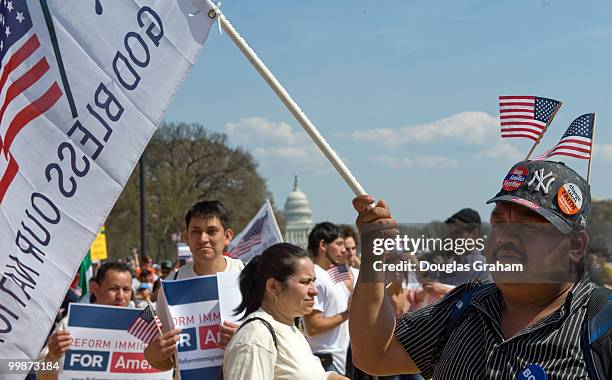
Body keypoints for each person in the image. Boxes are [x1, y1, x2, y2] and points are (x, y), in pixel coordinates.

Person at [349, 160, 610, 379]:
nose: (506, 237)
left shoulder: (602, 326)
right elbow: (374, 354)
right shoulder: (463, 308)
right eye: (498, 224)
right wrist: (374, 250)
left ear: (575, 246)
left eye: (527, 226)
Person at [223, 243, 348, 379]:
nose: (314, 291)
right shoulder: (256, 337)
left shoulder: (290, 329)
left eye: (313, 281)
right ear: (273, 287)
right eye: (305, 282)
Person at [144, 200, 245, 371]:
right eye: (196, 232)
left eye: (211, 231)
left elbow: (275, 339)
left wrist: (245, 340)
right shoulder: (171, 285)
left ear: (227, 236)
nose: (203, 239)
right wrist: (152, 355)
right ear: (186, 238)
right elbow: (167, 361)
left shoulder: (248, 276)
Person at [38, 261, 134, 380]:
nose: (120, 296)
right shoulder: (70, 325)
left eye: (126, 290)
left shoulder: (143, 326)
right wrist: (52, 357)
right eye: (113, 289)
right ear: (95, 289)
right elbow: (42, 376)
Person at [303, 222, 350, 375]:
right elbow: (313, 326)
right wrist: (347, 314)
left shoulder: (332, 275)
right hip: (325, 360)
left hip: (340, 360)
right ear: (323, 245)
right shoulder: (316, 277)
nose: (344, 250)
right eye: (339, 244)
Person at [420, 208, 492, 299]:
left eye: (457, 233)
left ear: (474, 234)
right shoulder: (444, 263)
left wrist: (444, 290)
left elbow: (481, 299)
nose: (451, 238)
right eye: (450, 233)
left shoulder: (484, 268)